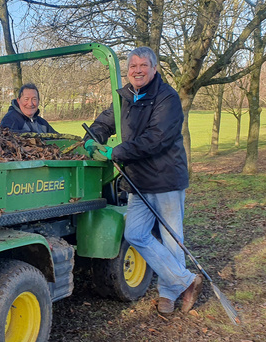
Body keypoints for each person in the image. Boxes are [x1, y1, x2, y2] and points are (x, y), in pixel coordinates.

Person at [84, 46, 203, 315]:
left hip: (166, 179)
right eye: (133, 66)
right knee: (135, 233)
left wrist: (116, 152)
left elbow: (155, 139)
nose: (137, 70)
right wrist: (93, 139)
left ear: (154, 68)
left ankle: (167, 295)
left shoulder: (167, 98)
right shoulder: (124, 96)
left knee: (172, 239)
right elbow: (104, 122)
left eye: (143, 65)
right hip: (137, 179)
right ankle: (186, 281)